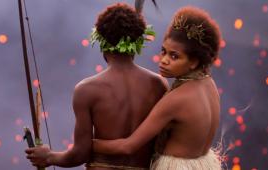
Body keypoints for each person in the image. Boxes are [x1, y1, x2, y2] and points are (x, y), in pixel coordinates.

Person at [25, 3, 168, 169]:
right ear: (137, 42)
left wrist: (49, 156)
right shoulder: (159, 84)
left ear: (101, 41)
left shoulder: (86, 90)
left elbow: (80, 153)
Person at [93, 6, 223, 170]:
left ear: (194, 62)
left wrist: (87, 145)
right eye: (164, 51)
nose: (164, 60)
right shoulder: (209, 85)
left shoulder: (177, 99)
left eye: (174, 56)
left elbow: (127, 146)